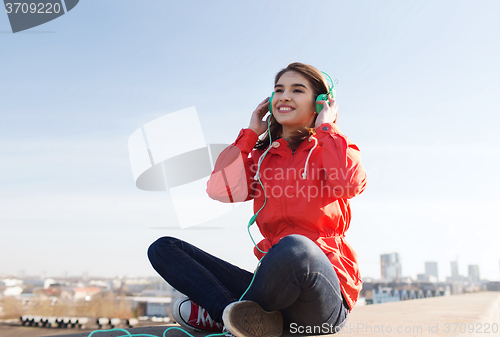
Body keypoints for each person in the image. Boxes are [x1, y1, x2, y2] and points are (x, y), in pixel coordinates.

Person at [148, 62, 367, 337]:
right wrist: (251, 134)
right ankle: (232, 315)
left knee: (295, 247)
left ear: (320, 103)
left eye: (297, 90)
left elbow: (349, 182)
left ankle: (225, 314)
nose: (284, 96)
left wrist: (327, 128)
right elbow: (219, 190)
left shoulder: (330, 149)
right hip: (273, 292)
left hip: (320, 298)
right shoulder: (263, 160)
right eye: (279, 90)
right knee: (163, 248)